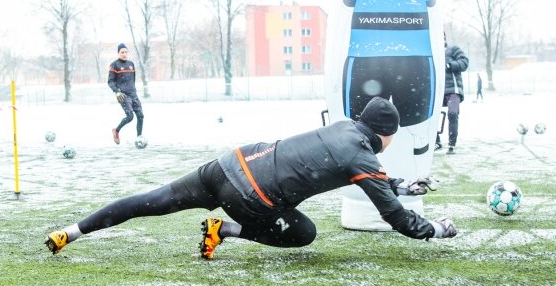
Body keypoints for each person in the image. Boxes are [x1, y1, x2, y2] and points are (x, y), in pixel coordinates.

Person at [45, 97, 458, 259]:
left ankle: (69, 233)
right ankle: (224, 229)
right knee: (304, 233)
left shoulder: (344, 130)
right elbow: (396, 217)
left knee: (152, 201)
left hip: (230, 163)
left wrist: (399, 185)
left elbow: (353, 171)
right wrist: (437, 229)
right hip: (251, 195)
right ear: (386, 133)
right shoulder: (362, 155)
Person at [340, 0, 438, 159]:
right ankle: (366, 169)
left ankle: (415, 171)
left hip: (414, 59)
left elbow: (432, 6)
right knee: (361, 125)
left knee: (417, 126)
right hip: (365, 59)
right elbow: (344, 12)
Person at [435, 35, 469, 154]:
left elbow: (464, 62)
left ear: (444, 38)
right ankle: (436, 142)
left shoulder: (453, 49)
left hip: (453, 90)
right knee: (431, 115)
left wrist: (450, 65)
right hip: (437, 91)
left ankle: (451, 145)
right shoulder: (433, 52)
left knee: (453, 114)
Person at [108, 43, 144, 145]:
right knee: (130, 116)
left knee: (140, 116)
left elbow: (132, 80)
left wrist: (133, 91)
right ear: (118, 53)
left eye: (126, 52)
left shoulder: (131, 64)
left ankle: (139, 138)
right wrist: (117, 92)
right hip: (123, 95)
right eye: (122, 52)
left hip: (133, 94)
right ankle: (116, 130)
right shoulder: (114, 65)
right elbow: (110, 81)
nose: (124, 54)